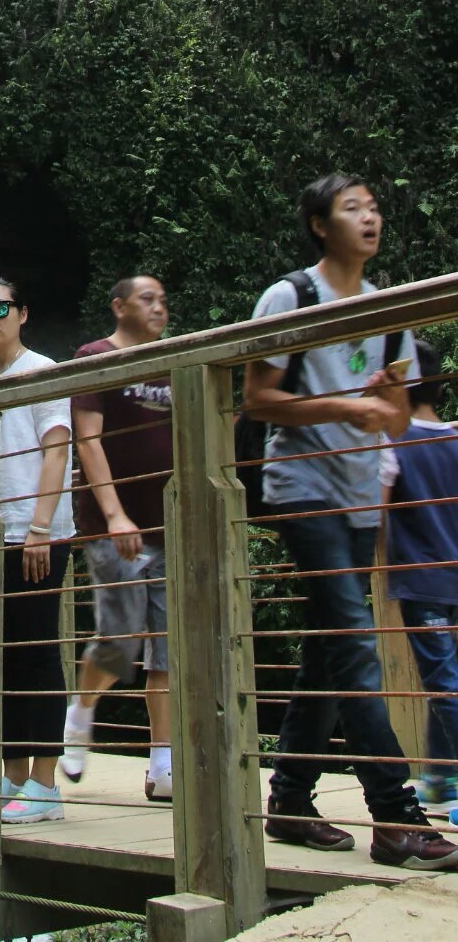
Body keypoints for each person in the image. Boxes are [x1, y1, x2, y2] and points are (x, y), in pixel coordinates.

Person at [244, 171, 458, 870]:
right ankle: (397, 818)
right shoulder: (291, 295)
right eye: (351, 208)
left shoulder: (390, 306)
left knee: (328, 648)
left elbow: (395, 416)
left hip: (362, 492)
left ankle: (290, 797)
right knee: (355, 642)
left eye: (373, 208)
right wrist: (343, 405)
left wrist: (382, 401)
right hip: (303, 486)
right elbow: (259, 399)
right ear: (318, 223)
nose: (369, 218)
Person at [62, 275, 174, 801]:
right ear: (119, 306)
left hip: (169, 524)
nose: (159, 307)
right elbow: (88, 438)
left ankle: (163, 767)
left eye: (162, 300)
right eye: (147, 299)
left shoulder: (173, 360)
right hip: (114, 527)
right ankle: (82, 710)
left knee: (171, 650)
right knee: (121, 640)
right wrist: (115, 516)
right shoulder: (95, 354)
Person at [0, 275, 73, 824]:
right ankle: (12, 776)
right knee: (6, 656)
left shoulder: (43, 372)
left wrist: (40, 528)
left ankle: (46, 783)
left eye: (0, 308)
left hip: (36, 532)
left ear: (23, 313)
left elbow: (57, 452)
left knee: (38, 652)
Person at [384, 338, 458, 809]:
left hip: (422, 581)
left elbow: (377, 513)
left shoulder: (393, 443)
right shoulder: (455, 437)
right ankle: (440, 777)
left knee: (446, 684)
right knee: (446, 680)